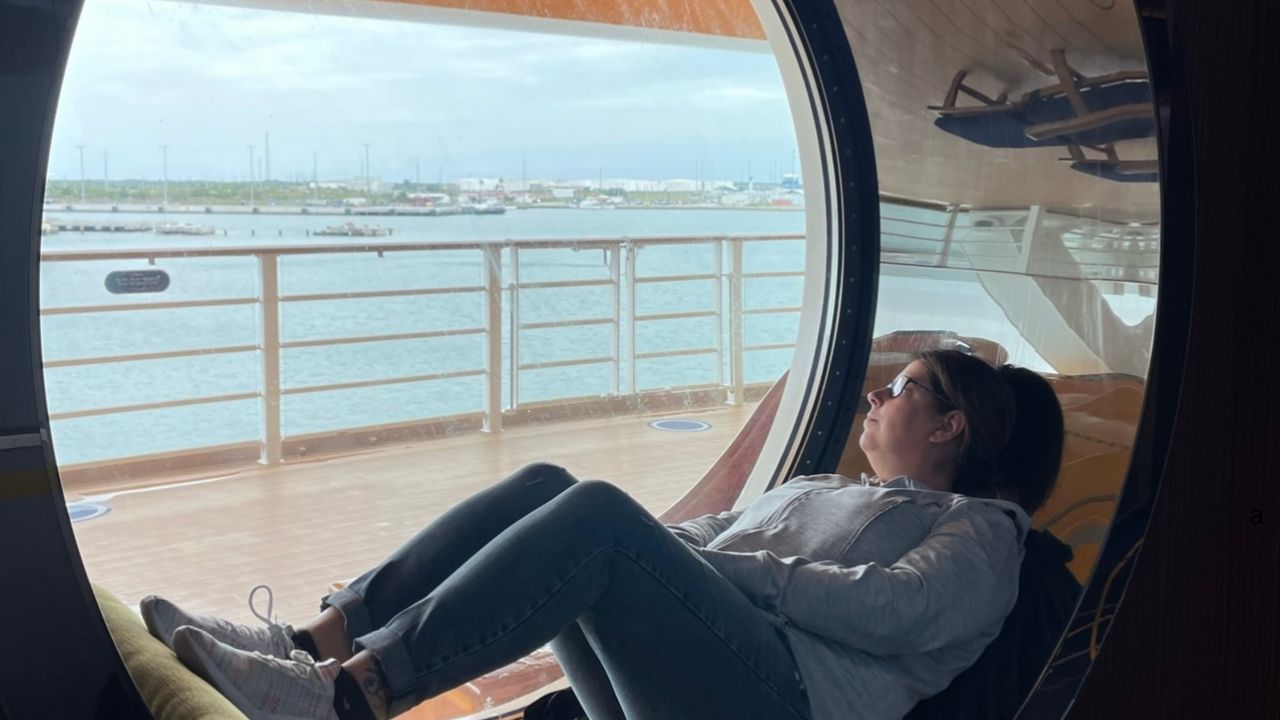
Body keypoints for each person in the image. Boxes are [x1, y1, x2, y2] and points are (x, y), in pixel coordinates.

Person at [141, 349, 1064, 720]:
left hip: (783, 700)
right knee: (559, 490)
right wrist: (665, 550)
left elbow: (893, 612)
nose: (875, 396)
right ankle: (313, 643)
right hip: (709, 670)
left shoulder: (985, 536)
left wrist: (708, 564)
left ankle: (349, 699)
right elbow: (708, 533)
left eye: (900, 389)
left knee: (597, 515)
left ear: (951, 427)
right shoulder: (828, 483)